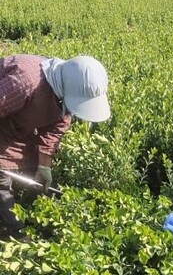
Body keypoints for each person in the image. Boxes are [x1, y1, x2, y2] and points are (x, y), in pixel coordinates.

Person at [0, 54, 111, 238]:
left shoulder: (63, 94)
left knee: (31, 168)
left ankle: (34, 214)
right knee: (2, 178)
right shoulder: (25, 81)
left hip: (17, 124)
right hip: (4, 119)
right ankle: (16, 231)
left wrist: (44, 167)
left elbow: (54, 132)